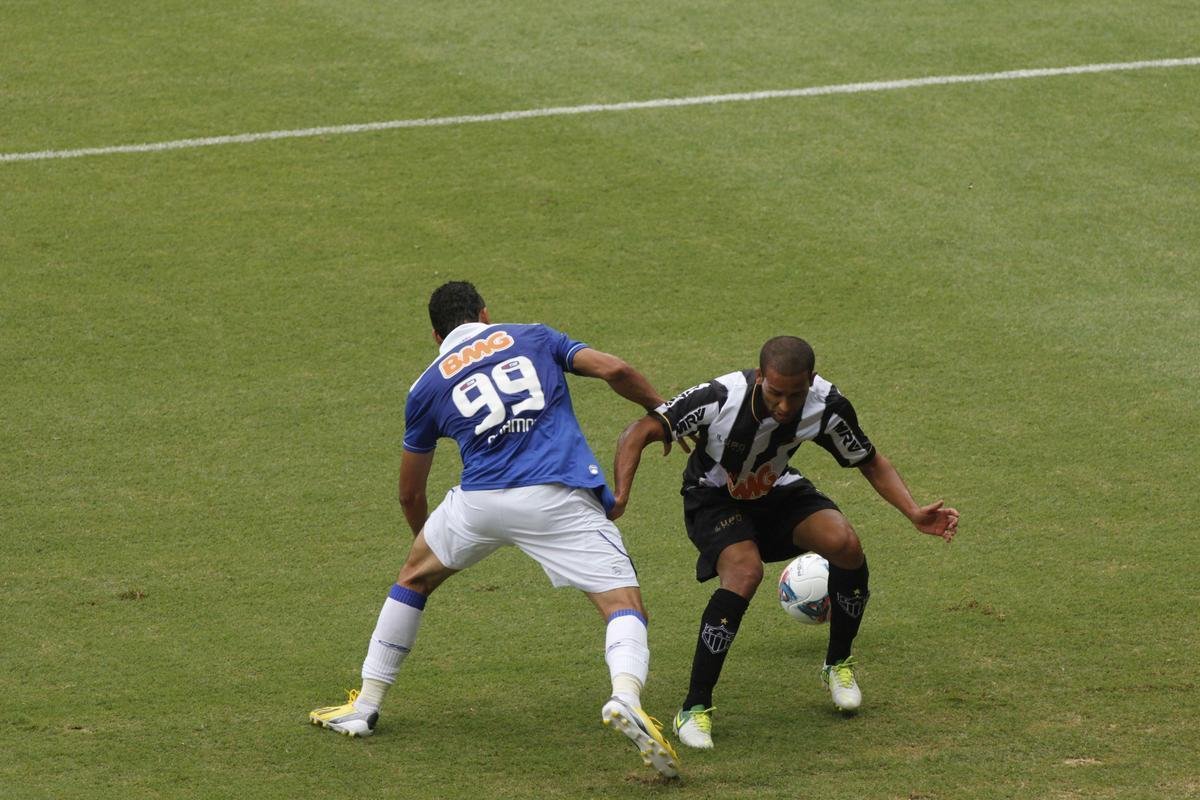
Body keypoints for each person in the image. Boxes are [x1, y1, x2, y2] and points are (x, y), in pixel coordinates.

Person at [309, 281, 680, 779]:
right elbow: (614, 369)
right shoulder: (534, 336)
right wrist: (661, 409)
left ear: (436, 334)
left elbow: (409, 493)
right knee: (623, 605)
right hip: (556, 495)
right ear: (486, 314)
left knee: (413, 579)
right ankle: (626, 698)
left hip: (479, 503)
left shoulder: (425, 387)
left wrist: (434, 543)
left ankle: (365, 706)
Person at [610, 335, 958, 750]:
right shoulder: (720, 398)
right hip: (713, 498)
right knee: (745, 572)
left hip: (775, 490)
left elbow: (869, 459)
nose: (786, 406)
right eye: (776, 393)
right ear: (760, 378)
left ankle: (837, 664)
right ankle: (694, 708)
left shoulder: (825, 404)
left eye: (796, 394)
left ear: (810, 380)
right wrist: (621, 495)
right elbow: (639, 431)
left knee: (845, 543)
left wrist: (914, 511)